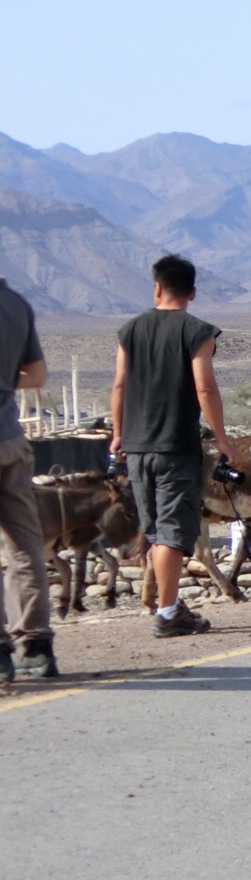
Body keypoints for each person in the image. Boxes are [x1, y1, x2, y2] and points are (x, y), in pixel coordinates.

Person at [109, 254, 239, 638]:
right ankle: (167, 612)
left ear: (157, 288)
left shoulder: (129, 330)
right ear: (193, 293)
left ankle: (166, 603)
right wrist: (222, 439)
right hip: (175, 448)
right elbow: (205, 387)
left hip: (136, 447)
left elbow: (119, 385)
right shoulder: (198, 331)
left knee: (152, 528)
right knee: (170, 531)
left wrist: (118, 434)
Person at [0, 278, 54, 681]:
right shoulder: (15, 304)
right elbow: (36, 375)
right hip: (12, 443)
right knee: (24, 544)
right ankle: (36, 645)